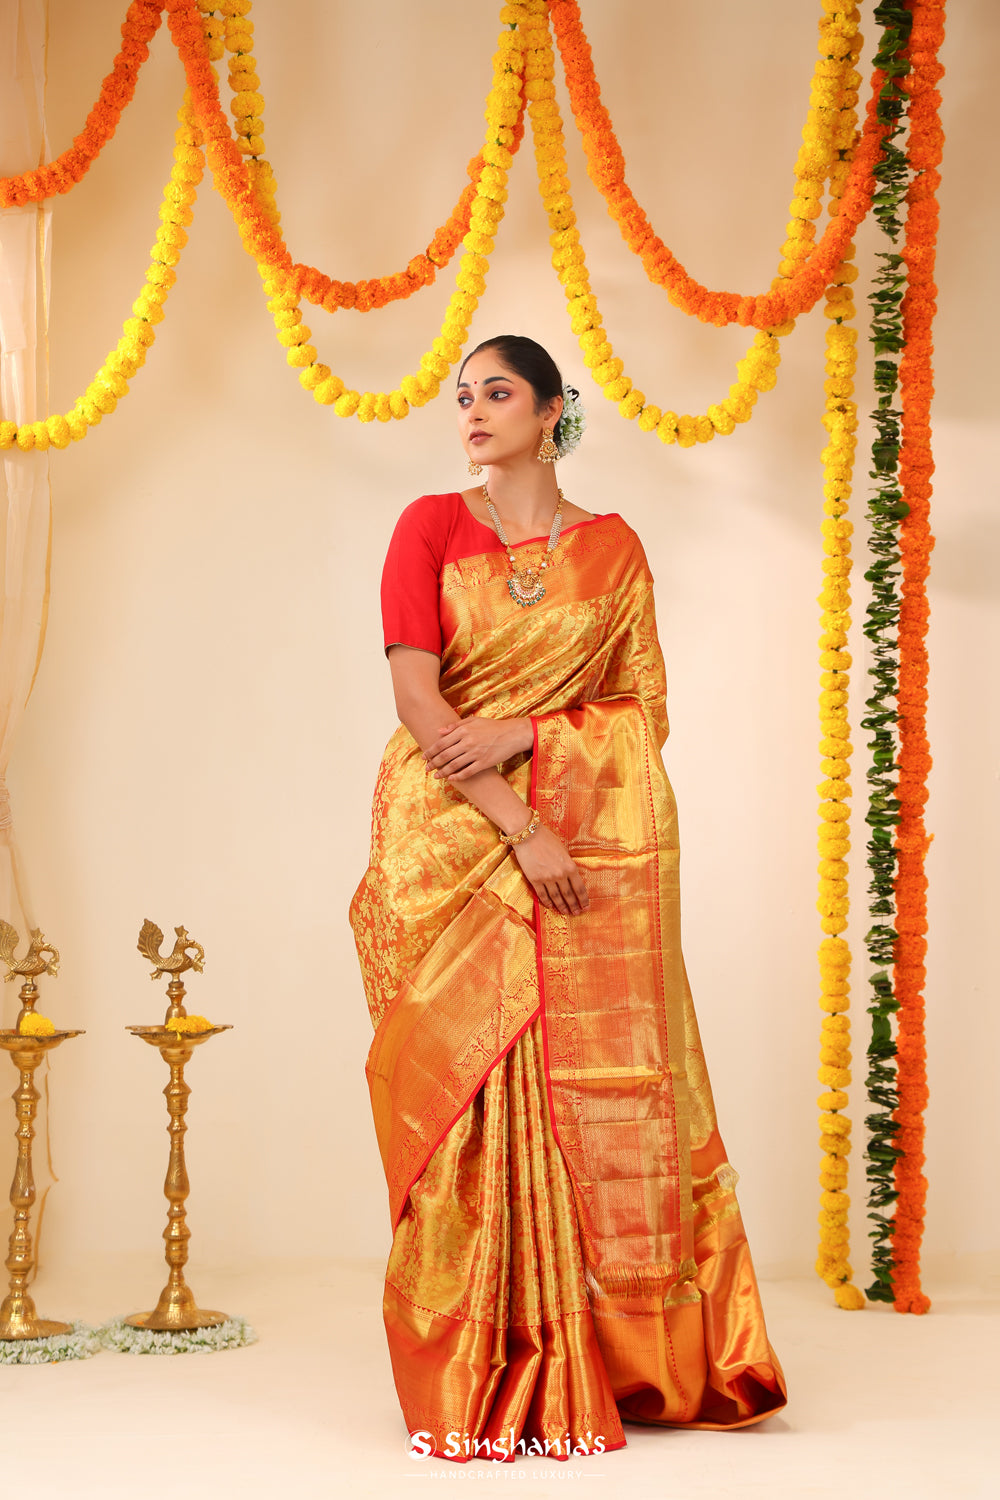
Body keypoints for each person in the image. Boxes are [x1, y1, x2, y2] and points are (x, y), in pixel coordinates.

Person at [350, 334, 787, 1464]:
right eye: (462, 396)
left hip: (590, 846)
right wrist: (524, 821)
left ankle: (604, 1351)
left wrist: (536, 734)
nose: (473, 411)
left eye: (497, 392)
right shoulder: (428, 528)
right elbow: (417, 697)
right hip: (454, 839)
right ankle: (485, 1358)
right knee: (471, 1095)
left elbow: (643, 711)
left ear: (552, 410)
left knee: (581, 1089)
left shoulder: (614, 548)